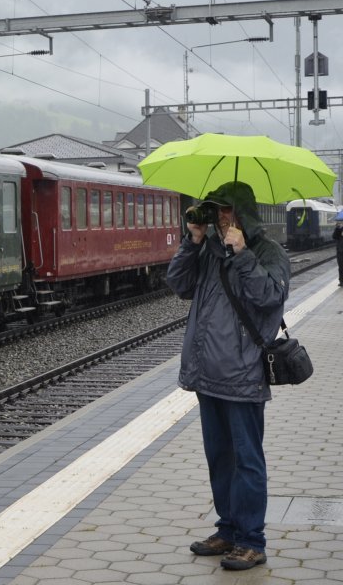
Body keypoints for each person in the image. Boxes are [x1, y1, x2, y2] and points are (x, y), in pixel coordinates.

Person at [166, 181, 290, 571]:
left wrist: (242, 253)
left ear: (242, 212)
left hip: (243, 373)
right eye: (214, 209)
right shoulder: (209, 250)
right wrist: (193, 241)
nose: (219, 217)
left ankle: (252, 540)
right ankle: (228, 529)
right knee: (219, 458)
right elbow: (178, 284)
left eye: (224, 209)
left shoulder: (268, 252)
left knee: (247, 460)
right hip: (207, 373)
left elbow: (270, 298)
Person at [333, 218, 343, 286]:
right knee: (341, 266)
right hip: (340, 251)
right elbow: (334, 236)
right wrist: (338, 228)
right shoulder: (339, 229)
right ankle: (341, 281)